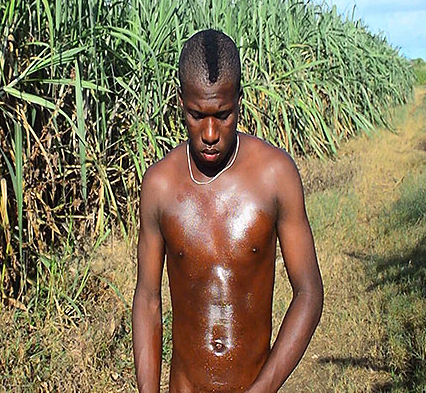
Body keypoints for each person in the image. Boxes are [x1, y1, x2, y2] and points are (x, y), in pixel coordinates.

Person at [132, 29, 323, 393]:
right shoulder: (159, 184)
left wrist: (263, 388)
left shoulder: (274, 175)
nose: (208, 132)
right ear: (180, 101)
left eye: (222, 114)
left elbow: (309, 291)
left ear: (240, 100)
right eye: (195, 115)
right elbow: (147, 298)